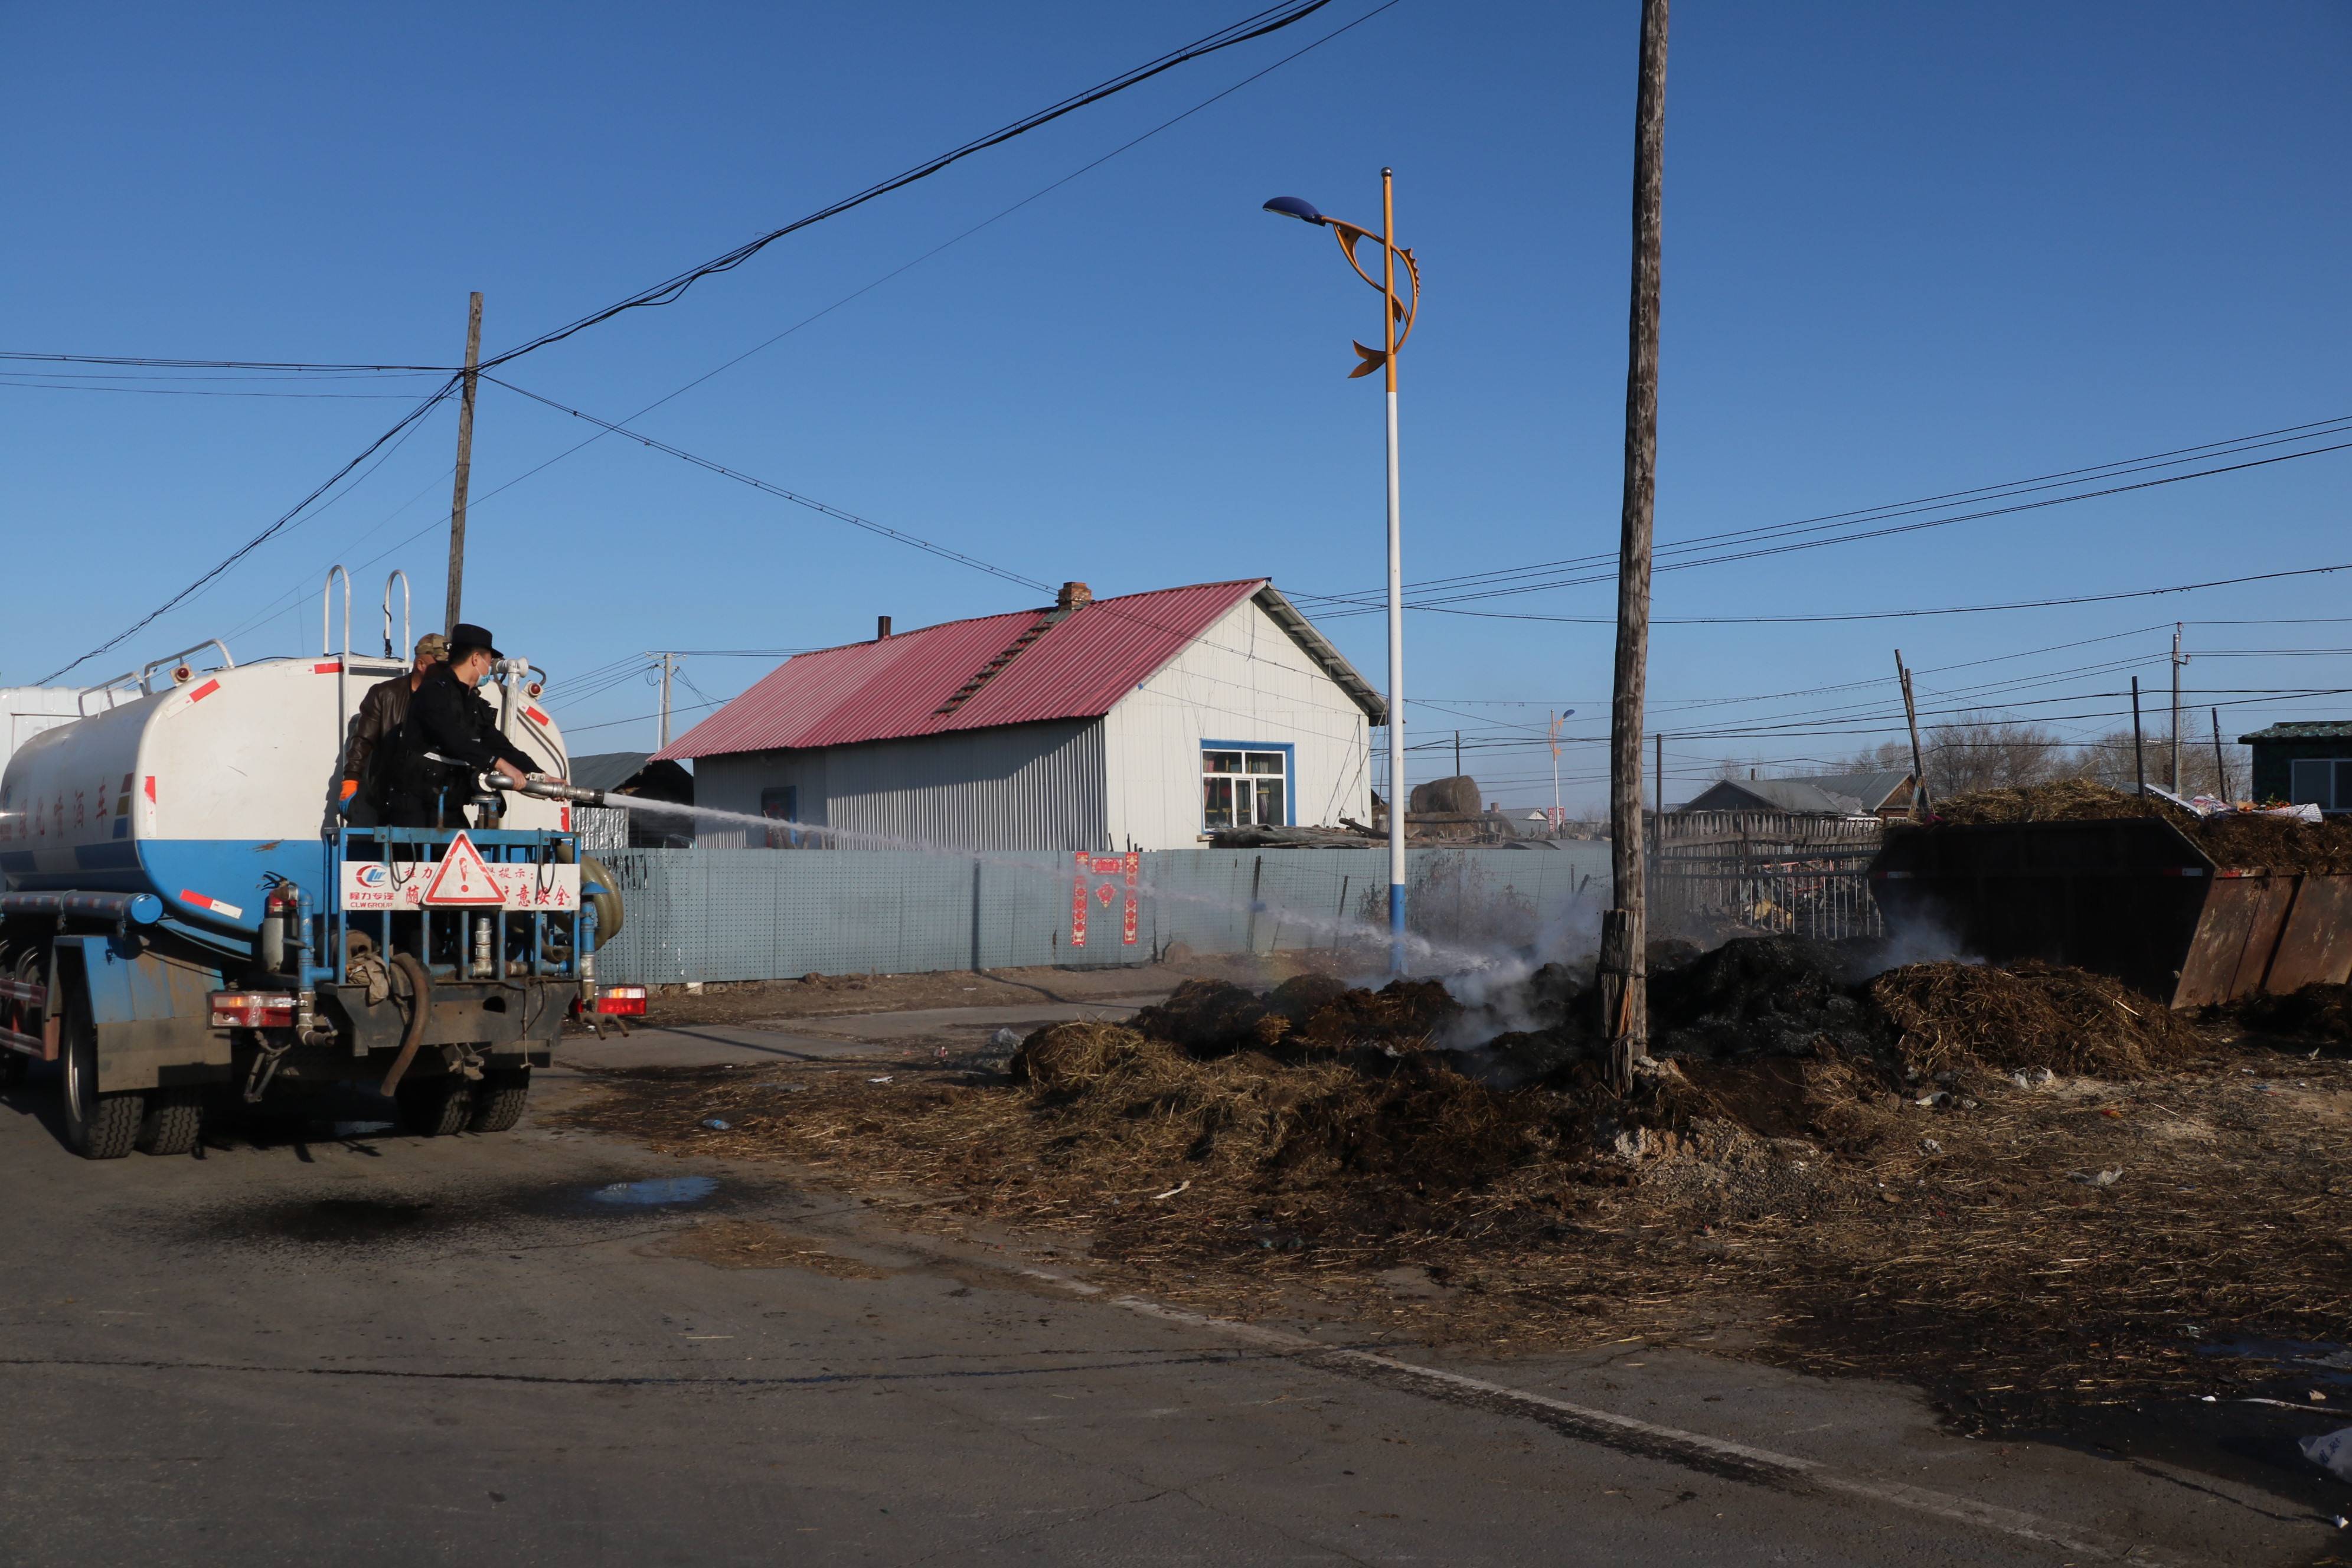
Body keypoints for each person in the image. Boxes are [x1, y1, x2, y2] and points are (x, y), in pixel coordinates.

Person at [377, 623, 549, 828]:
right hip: (415, 808)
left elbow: (497, 744)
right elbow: (453, 739)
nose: (490, 667)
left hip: (449, 805)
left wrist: (541, 776)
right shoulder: (433, 693)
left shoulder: (473, 703)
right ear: (476, 659)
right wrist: (501, 765)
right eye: (489, 661)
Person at [340, 632, 448, 822]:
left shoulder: (451, 698)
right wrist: (350, 780)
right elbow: (363, 741)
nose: (446, 672)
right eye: (440, 666)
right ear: (421, 665)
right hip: (393, 799)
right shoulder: (385, 694)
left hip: (439, 800)